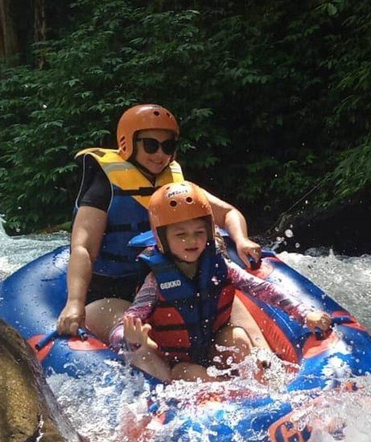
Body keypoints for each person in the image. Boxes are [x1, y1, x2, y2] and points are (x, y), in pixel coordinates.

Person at [56, 104, 262, 340]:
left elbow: (228, 213)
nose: (160, 154)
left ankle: (266, 363)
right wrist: (74, 302)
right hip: (113, 291)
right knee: (133, 337)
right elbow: (83, 248)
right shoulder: (104, 188)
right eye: (151, 145)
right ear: (128, 143)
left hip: (168, 282)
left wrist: (242, 240)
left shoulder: (174, 185)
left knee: (222, 295)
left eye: (168, 146)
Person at [107, 181, 332, 382]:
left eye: (199, 232)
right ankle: (226, 399)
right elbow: (125, 324)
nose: (192, 240)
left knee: (238, 339)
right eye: (181, 234)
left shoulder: (221, 266)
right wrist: (130, 342)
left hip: (214, 345)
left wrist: (305, 314)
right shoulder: (155, 282)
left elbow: (263, 289)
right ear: (162, 238)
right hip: (178, 363)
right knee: (190, 373)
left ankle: (262, 390)